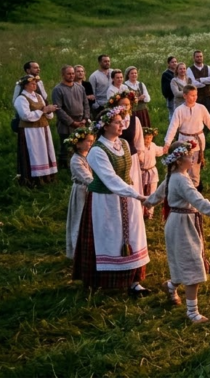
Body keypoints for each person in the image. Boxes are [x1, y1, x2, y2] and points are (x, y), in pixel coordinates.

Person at [145, 141, 210, 323]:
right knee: (192, 263)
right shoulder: (180, 179)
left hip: (177, 222)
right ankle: (192, 312)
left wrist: (148, 202)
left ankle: (171, 286)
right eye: (189, 155)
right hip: (182, 224)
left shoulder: (173, 175)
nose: (192, 157)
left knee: (184, 259)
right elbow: (198, 201)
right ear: (179, 160)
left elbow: (158, 195)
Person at [72, 106, 151, 295]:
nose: (122, 124)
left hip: (127, 198)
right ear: (105, 126)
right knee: (109, 237)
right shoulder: (97, 151)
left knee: (131, 236)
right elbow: (110, 179)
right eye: (117, 121)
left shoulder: (123, 144)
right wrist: (137, 195)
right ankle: (102, 282)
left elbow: (129, 173)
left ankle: (134, 281)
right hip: (106, 201)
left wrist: (134, 193)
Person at [164, 85, 210, 190]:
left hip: (198, 142)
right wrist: (167, 143)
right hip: (184, 141)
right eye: (192, 95)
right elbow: (173, 127)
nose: (194, 97)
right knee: (183, 166)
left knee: (195, 167)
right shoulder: (179, 110)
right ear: (184, 96)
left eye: (196, 95)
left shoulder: (201, 108)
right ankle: (183, 188)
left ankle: (195, 189)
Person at [15, 75, 59, 186]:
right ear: (25, 85)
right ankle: (33, 179)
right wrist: (42, 111)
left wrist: (49, 111)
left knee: (45, 151)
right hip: (30, 131)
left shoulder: (39, 96)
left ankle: (47, 176)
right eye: (32, 83)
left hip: (43, 129)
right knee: (34, 153)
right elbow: (26, 116)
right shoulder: (21, 99)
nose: (35, 85)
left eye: (35, 83)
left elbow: (48, 115)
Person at [107, 91, 147, 201]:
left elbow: (139, 140)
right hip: (116, 159)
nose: (125, 107)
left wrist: (141, 155)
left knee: (132, 185)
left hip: (132, 158)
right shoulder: (111, 121)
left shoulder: (134, 120)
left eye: (127, 104)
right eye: (122, 104)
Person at [64, 127, 94, 260]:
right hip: (81, 191)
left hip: (91, 190)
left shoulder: (90, 155)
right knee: (80, 218)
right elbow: (87, 178)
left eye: (92, 141)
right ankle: (77, 251)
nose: (90, 143)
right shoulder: (76, 160)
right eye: (87, 141)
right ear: (78, 144)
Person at [51, 64, 89, 164]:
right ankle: (64, 170)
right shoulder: (58, 90)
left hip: (81, 122)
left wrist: (85, 118)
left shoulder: (80, 88)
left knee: (81, 146)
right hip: (66, 125)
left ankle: (81, 165)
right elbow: (58, 109)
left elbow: (86, 104)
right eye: (69, 74)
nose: (71, 76)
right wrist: (72, 122)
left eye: (73, 73)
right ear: (63, 75)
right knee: (66, 148)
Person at [187, 50, 210, 116]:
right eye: (197, 57)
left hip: (208, 96)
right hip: (196, 97)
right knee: (197, 117)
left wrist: (200, 79)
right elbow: (193, 83)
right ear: (194, 58)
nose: (199, 58)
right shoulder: (189, 69)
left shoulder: (208, 68)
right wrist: (205, 83)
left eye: (201, 56)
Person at [139, 128, 164, 197]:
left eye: (150, 138)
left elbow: (161, 150)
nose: (148, 140)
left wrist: (167, 148)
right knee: (141, 191)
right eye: (146, 138)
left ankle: (150, 206)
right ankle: (142, 206)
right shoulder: (139, 148)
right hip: (141, 172)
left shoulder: (153, 146)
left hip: (152, 172)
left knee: (152, 191)